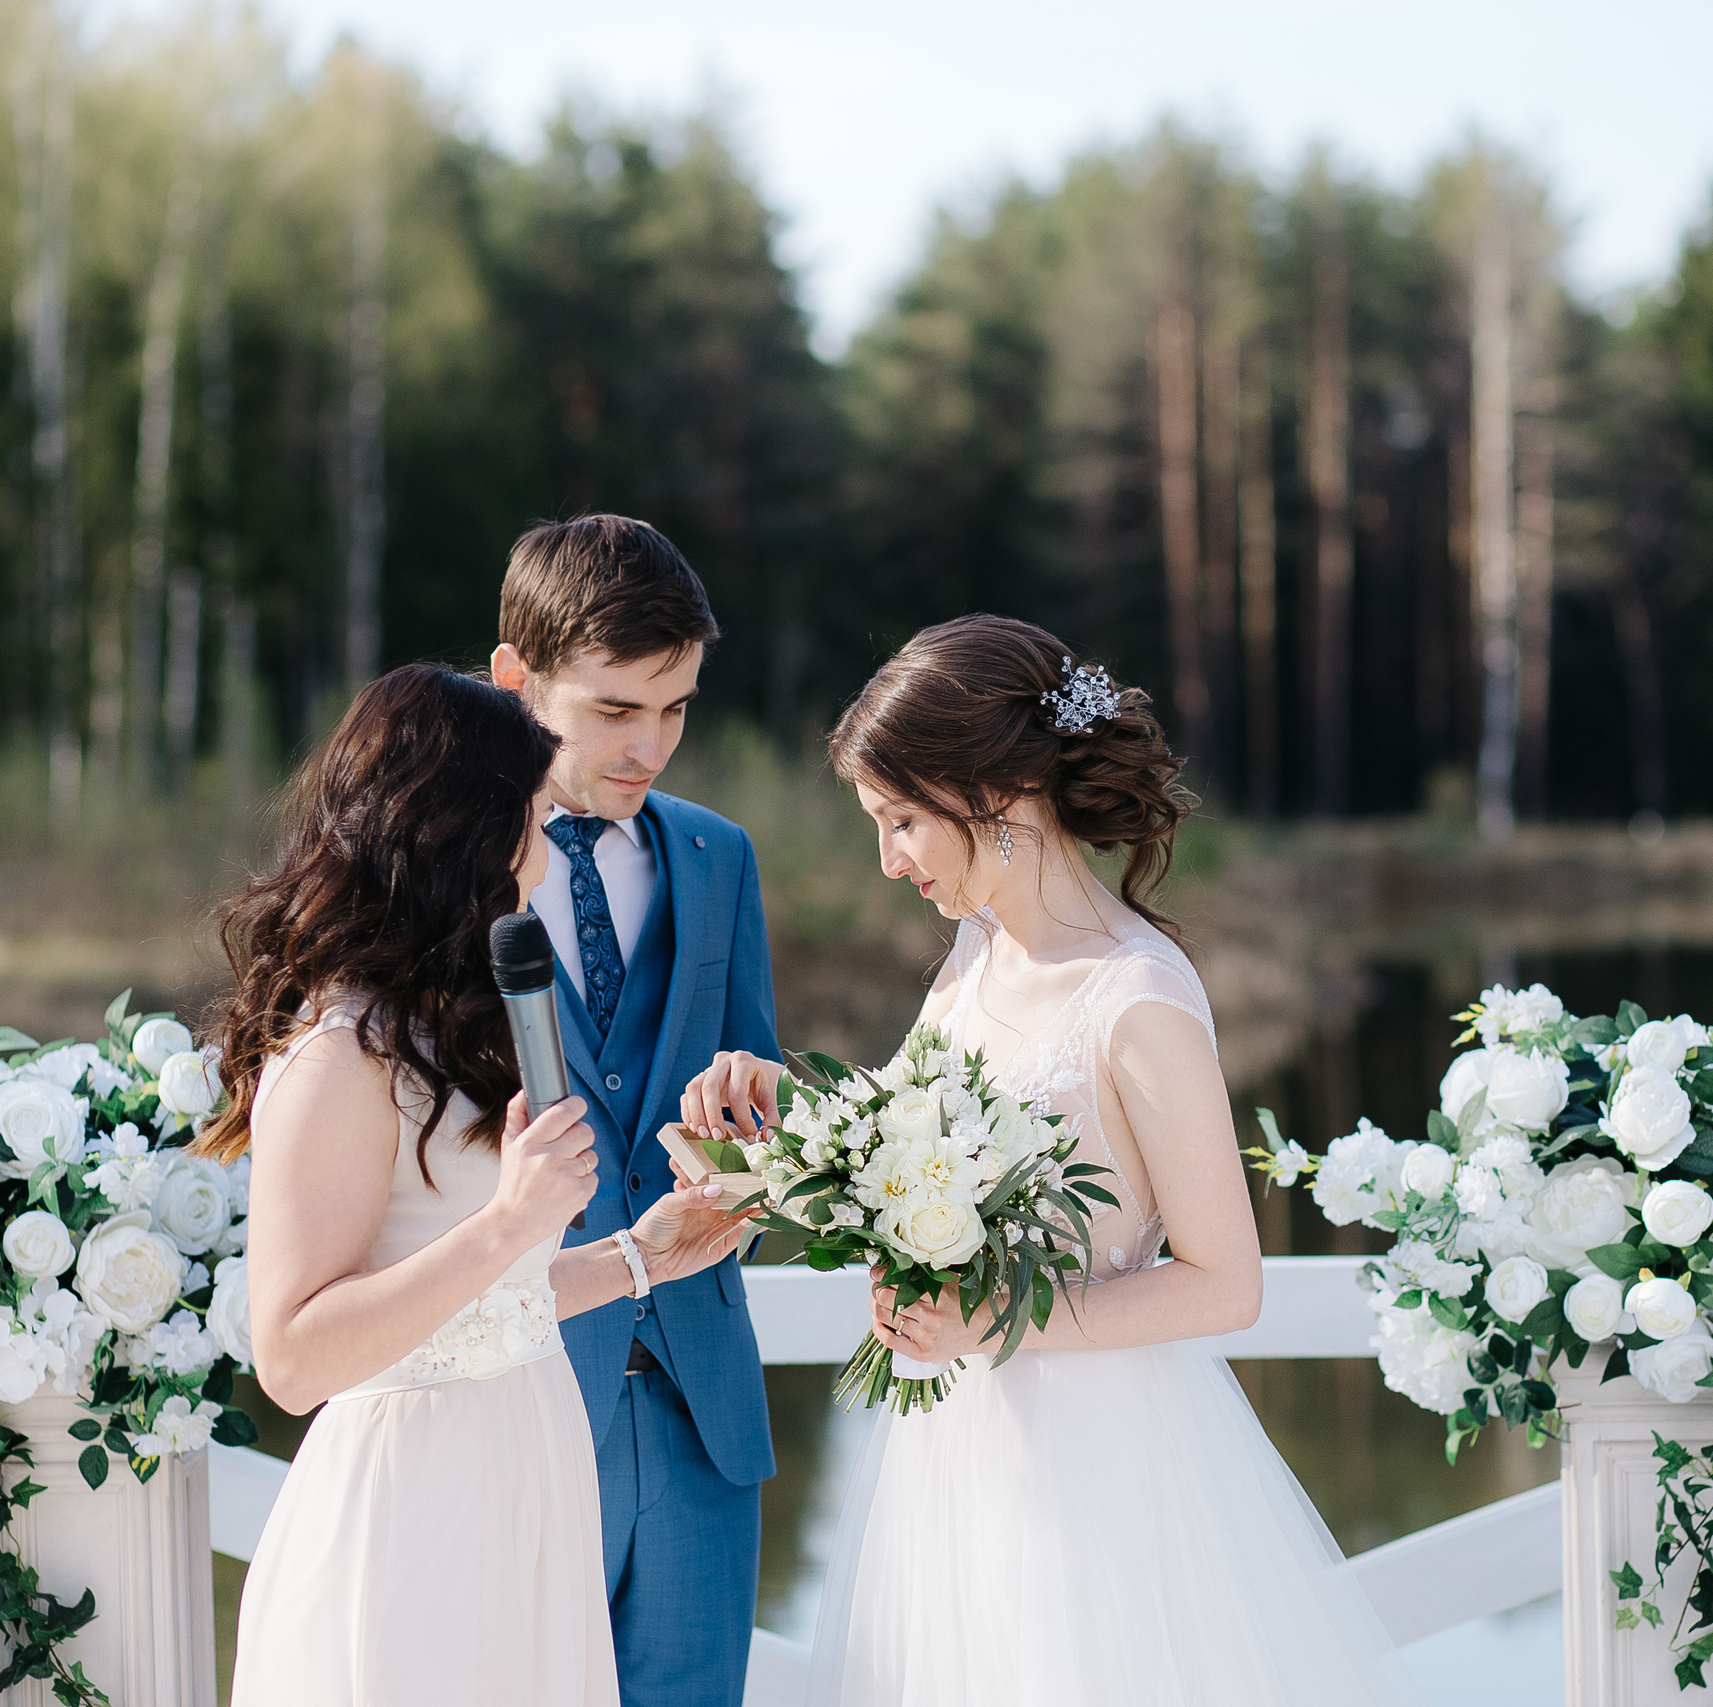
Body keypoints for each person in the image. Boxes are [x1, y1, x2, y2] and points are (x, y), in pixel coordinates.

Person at [683, 616, 1408, 1707]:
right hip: (965, 1458)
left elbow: (1226, 1282)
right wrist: (790, 1106)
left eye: (901, 822)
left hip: (1104, 1468)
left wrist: (990, 1322)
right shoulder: (974, 956)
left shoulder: (1139, 999)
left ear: (1003, 791)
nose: (887, 861)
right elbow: (909, 1142)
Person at [201, 663, 755, 1705]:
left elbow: (474, 1308)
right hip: (418, 1509)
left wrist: (645, 1252)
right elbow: (291, 1356)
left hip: (524, 1478)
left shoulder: (440, 1024)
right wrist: (508, 1224)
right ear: (461, 831)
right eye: (535, 821)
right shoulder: (338, 1050)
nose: (546, 857)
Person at [490, 516, 780, 1707]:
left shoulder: (718, 858)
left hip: (700, 1396)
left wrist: (757, 1135)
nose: (650, 744)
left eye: (676, 708)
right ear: (517, 679)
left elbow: (763, 1089)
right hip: (519, 1382)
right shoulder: (436, 869)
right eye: (616, 710)